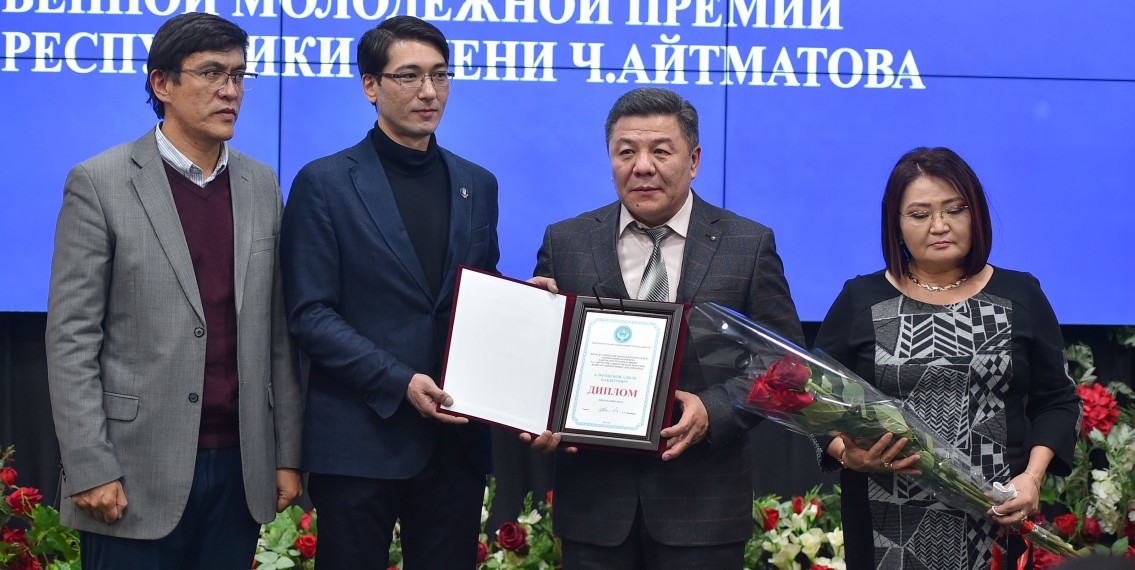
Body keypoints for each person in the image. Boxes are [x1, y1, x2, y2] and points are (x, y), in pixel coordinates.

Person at [44, 12, 303, 569]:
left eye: (238, 75)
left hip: (239, 469)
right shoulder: (99, 182)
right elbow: (71, 339)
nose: (230, 90)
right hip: (132, 471)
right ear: (162, 83)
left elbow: (278, 335)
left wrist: (287, 454)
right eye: (211, 73)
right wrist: (90, 465)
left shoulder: (262, 184)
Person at [527, 87, 803, 569]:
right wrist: (532, 334)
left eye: (661, 151)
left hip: (703, 509)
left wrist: (713, 411)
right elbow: (545, 359)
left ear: (693, 160)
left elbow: (789, 367)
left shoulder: (747, 243)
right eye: (626, 152)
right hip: (594, 509)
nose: (642, 166)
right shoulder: (566, 241)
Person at [280, 16, 498, 569]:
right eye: (409, 76)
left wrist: (526, 303)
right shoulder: (325, 183)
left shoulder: (477, 183)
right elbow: (310, 313)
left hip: (455, 442)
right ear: (370, 86)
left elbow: (477, 298)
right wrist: (399, 381)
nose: (429, 91)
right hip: (359, 440)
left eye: (440, 75)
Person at [814, 147, 1082, 569]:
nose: (939, 226)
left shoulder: (1019, 295)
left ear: (976, 214)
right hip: (887, 523)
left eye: (954, 210)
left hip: (996, 517)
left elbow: (1059, 401)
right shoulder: (861, 299)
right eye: (920, 214)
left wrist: (1031, 479)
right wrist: (846, 453)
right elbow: (813, 399)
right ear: (895, 223)